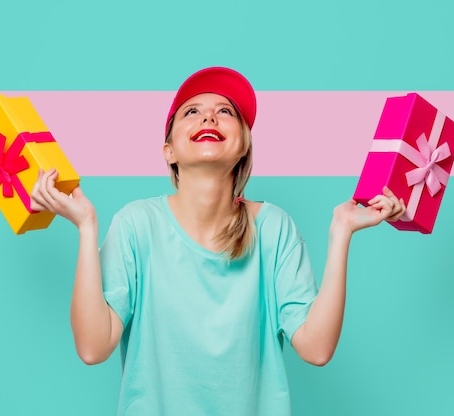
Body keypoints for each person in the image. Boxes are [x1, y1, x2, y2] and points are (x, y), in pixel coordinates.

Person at [30, 67, 406, 415]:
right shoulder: (136, 224)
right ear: (169, 151)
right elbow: (94, 348)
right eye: (191, 112)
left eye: (225, 111)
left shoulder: (274, 228)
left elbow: (317, 347)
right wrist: (86, 227)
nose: (209, 117)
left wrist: (341, 231)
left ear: (243, 145)